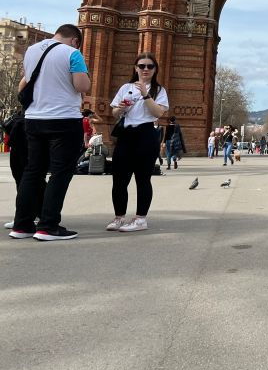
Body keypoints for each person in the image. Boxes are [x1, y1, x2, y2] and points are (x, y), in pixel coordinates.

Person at [10, 24, 90, 241]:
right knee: (60, 173)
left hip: (34, 120)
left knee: (32, 171)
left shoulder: (32, 50)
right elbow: (81, 85)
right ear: (75, 40)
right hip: (64, 120)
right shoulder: (73, 53)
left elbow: (24, 84)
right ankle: (48, 226)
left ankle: (22, 225)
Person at [106, 53, 169, 233]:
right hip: (126, 134)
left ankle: (141, 219)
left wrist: (145, 94)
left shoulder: (159, 90)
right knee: (119, 179)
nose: (146, 69)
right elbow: (114, 113)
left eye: (150, 66)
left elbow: (158, 113)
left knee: (143, 179)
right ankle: (119, 217)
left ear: (155, 69)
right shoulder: (125, 87)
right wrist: (121, 108)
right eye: (142, 66)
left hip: (146, 134)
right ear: (136, 68)